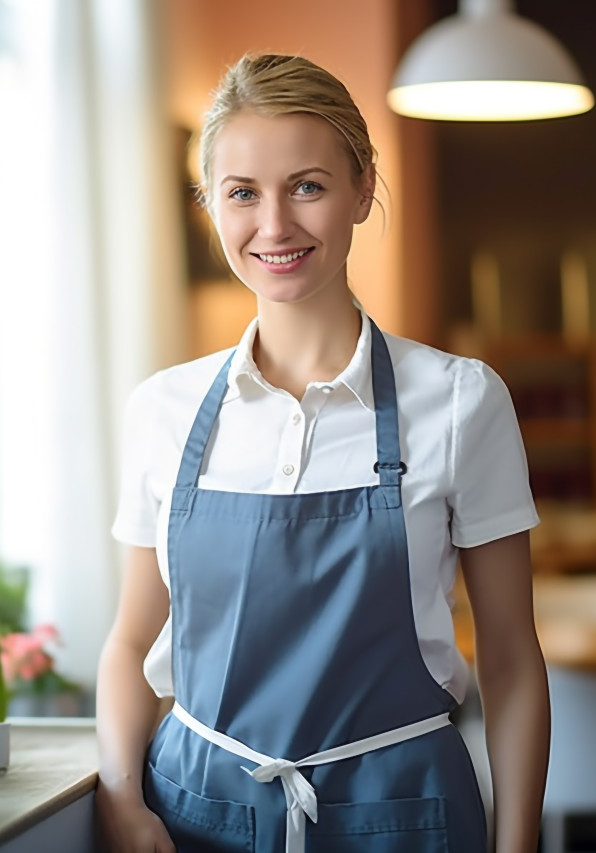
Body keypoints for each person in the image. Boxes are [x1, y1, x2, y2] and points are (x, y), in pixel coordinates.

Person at [95, 54, 549, 853]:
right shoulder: (161, 409)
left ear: (363, 189)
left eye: (307, 185)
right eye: (242, 193)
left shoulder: (459, 402)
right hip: (196, 817)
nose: (274, 225)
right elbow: (131, 642)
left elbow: (511, 658)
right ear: (210, 205)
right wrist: (123, 799)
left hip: (405, 818)